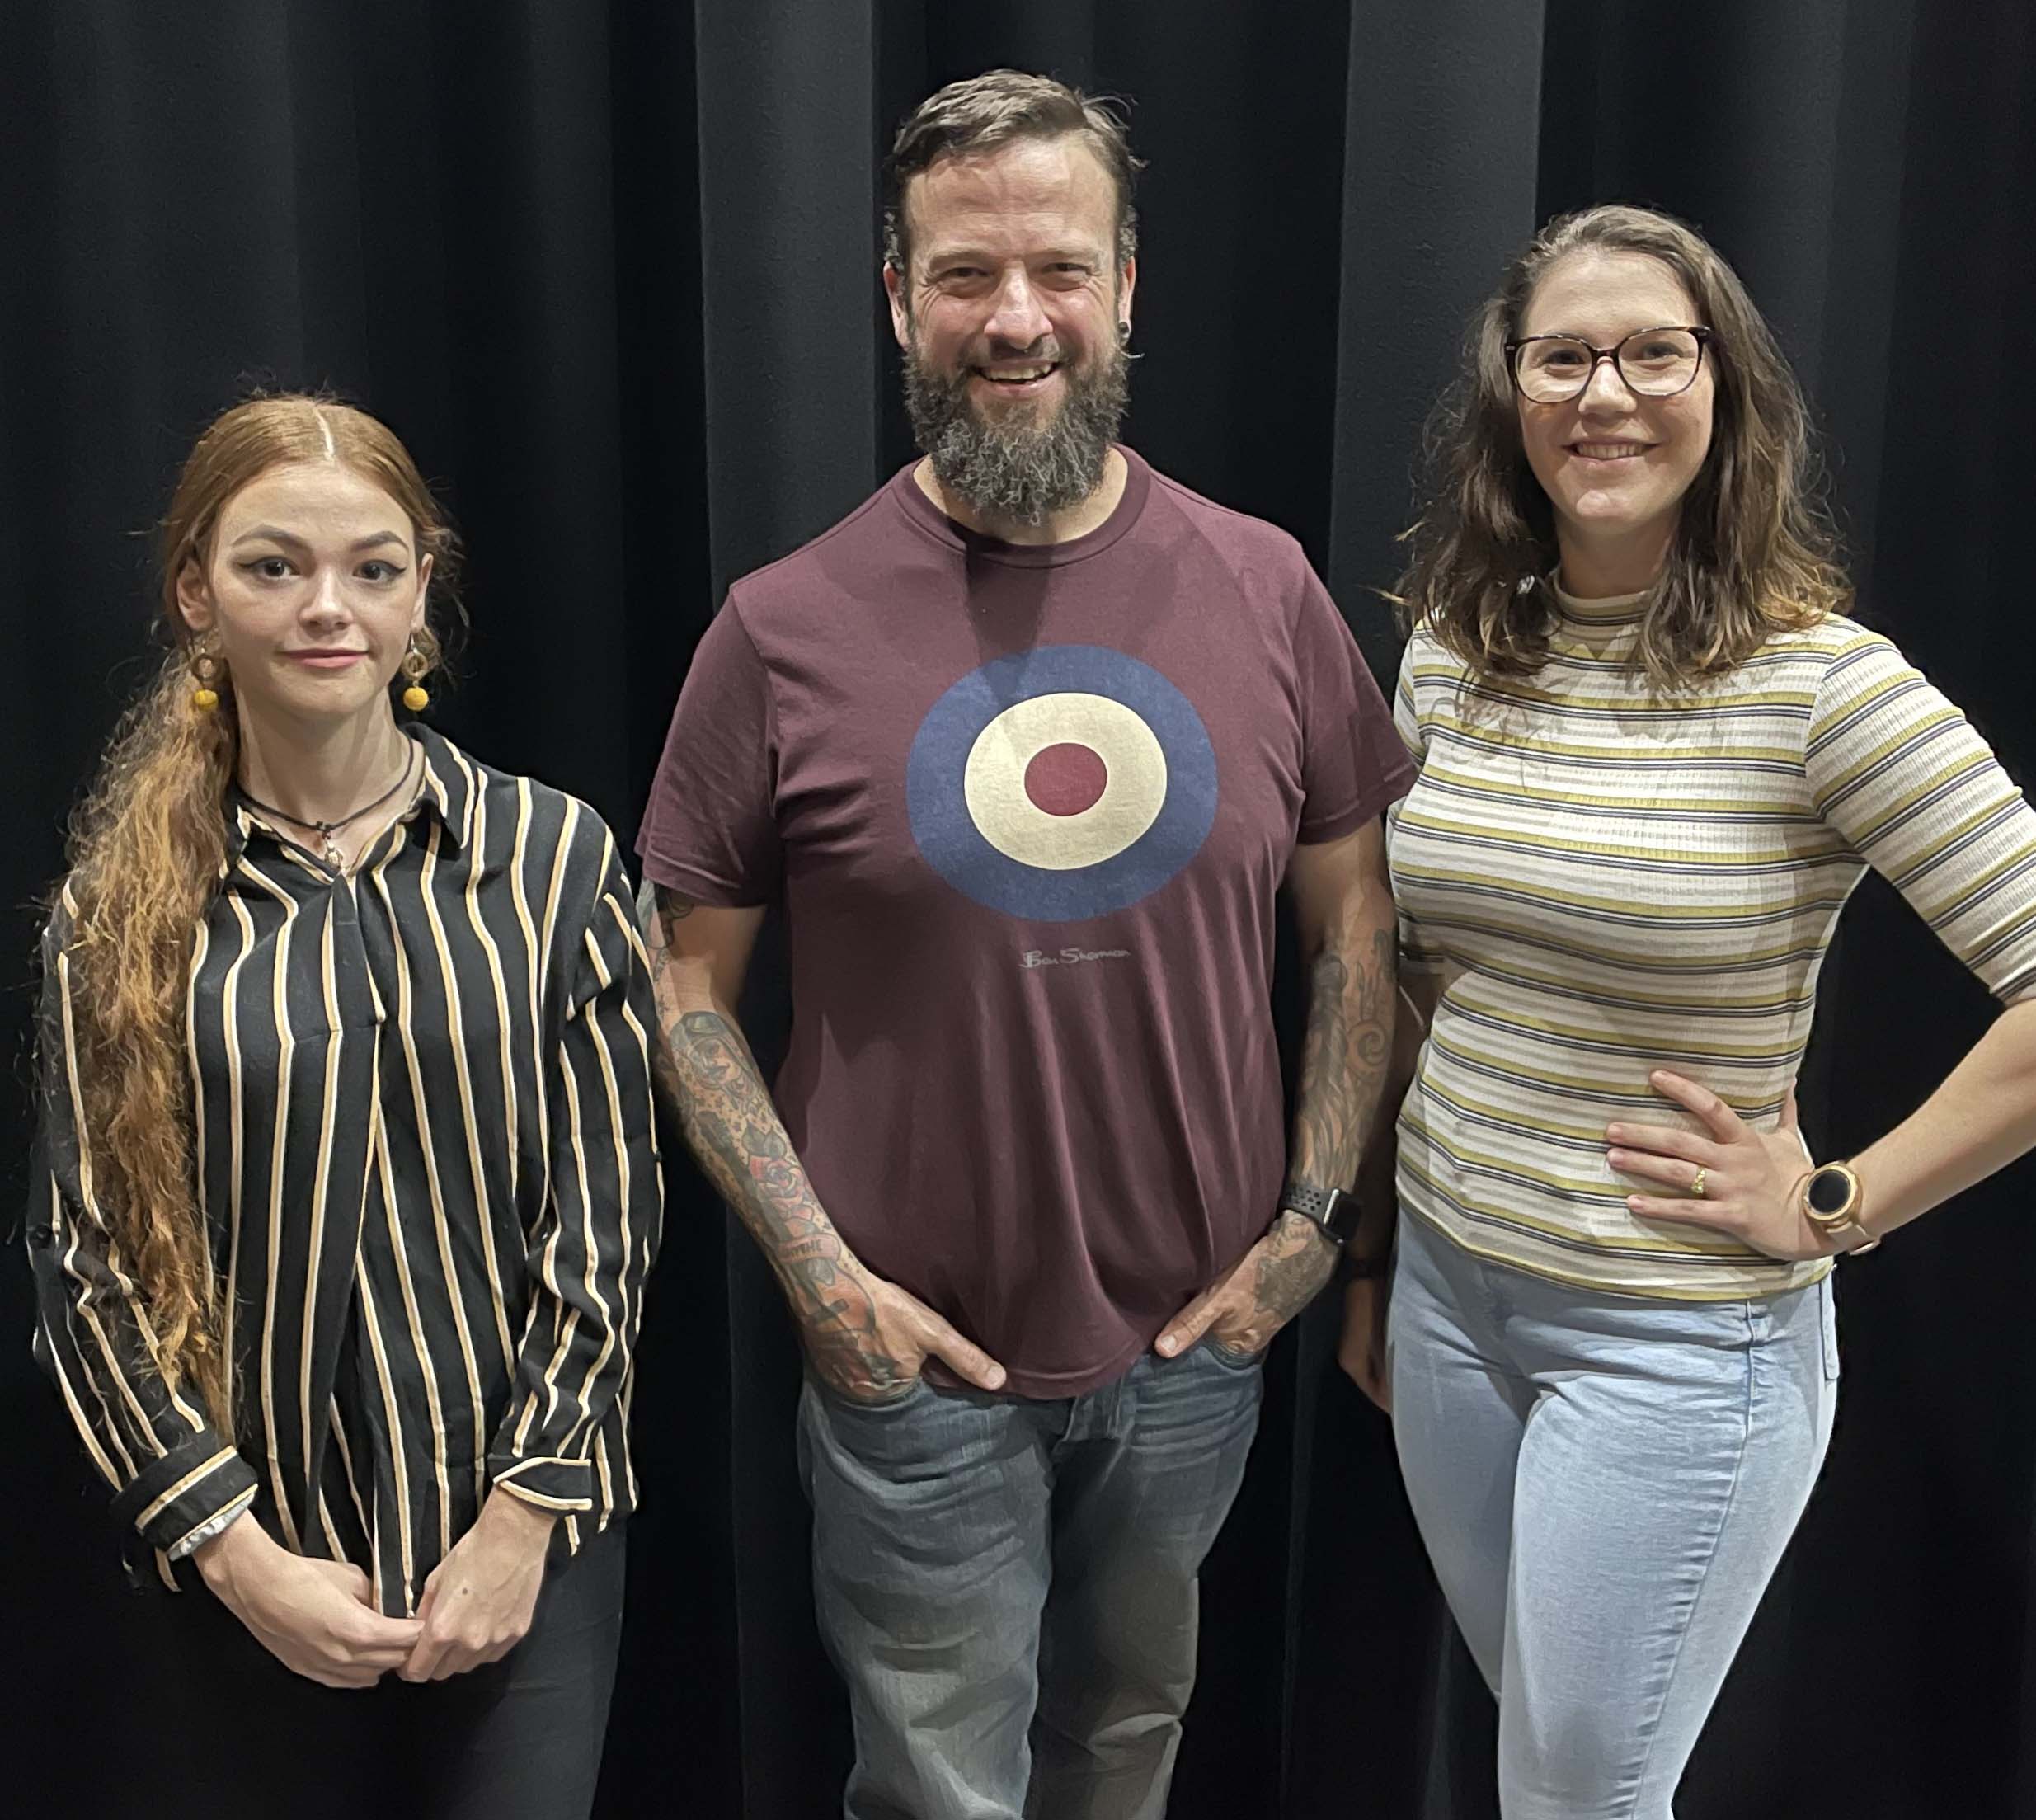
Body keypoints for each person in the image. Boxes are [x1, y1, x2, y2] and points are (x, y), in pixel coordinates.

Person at [637, 70, 1410, 1820]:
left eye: (1057, 270)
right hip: (914, 1366)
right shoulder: (780, 628)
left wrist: (1306, 1232)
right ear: (898, 300)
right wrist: (820, 1283)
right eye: (964, 274)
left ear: (1125, 287)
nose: (1015, 319)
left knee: (1126, 1748)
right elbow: (684, 992)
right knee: (933, 1788)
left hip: (1194, 1348)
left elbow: (1355, 925)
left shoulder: (1265, 586)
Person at [1341, 204, 2036, 1818]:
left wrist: (1831, 1202)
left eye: (1654, 352)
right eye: (1561, 356)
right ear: (1507, 399)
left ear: (1724, 394)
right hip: (1448, 1306)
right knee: (1552, 1759)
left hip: (1666, 1348)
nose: (1604, 394)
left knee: (1578, 1799)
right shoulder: (1448, 654)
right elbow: (1415, 973)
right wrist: (1379, 1259)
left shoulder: (1820, 688)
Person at [26, 393, 663, 1820]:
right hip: (250, 1568)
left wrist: (522, 1521)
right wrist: (233, 1551)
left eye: (373, 568)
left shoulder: (553, 858)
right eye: (273, 567)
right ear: (195, 592)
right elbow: (87, 1267)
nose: (330, 609)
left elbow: (604, 1223)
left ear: (420, 592)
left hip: (522, 1556)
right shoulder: (119, 913)